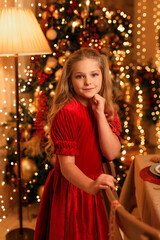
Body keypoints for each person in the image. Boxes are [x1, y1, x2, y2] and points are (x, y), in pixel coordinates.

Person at [34, 47, 121, 240]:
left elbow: (111, 153)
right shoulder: (67, 113)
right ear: (70, 81)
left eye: (94, 74)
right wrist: (90, 186)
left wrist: (99, 115)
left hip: (98, 186)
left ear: (102, 77)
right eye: (80, 76)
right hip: (75, 189)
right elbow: (67, 167)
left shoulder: (106, 109)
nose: (88, 81)